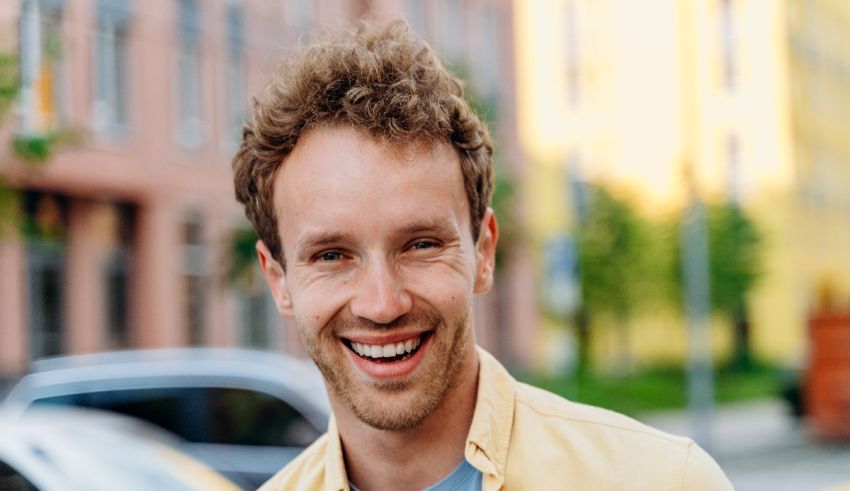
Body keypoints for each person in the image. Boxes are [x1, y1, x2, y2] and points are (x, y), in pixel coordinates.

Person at [232, 20, 733, 491]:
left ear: (485, 250)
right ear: (278, 280)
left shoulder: (663, 481)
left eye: (421, 245)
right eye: (331, 256)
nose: (382, 304)